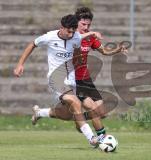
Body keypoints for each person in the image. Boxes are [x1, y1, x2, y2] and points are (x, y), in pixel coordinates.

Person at [31, 7, 127, 138]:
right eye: (83, 24)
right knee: (92, 108)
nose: (86, 27)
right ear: (76, 23)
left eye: (89, 25)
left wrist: (117, 50)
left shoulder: (89, 38)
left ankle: (47, 114)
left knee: (101, 113)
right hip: (73, 80)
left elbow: (104, 51)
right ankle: (101, 138)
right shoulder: (70, 36)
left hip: (85, 79)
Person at [13, 14, 102, 147]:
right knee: (75, 102)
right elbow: (32, 44)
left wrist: (92, 34)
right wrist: (20, 64)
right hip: (56, 78)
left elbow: (78, 43)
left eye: (73, 31)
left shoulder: (75, 37)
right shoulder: (49, 37)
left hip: (72, 80)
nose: (71, 34)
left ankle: (40, 112)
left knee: (67, 114)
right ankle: (92, 139)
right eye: (69, 31)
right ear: (62, 28)